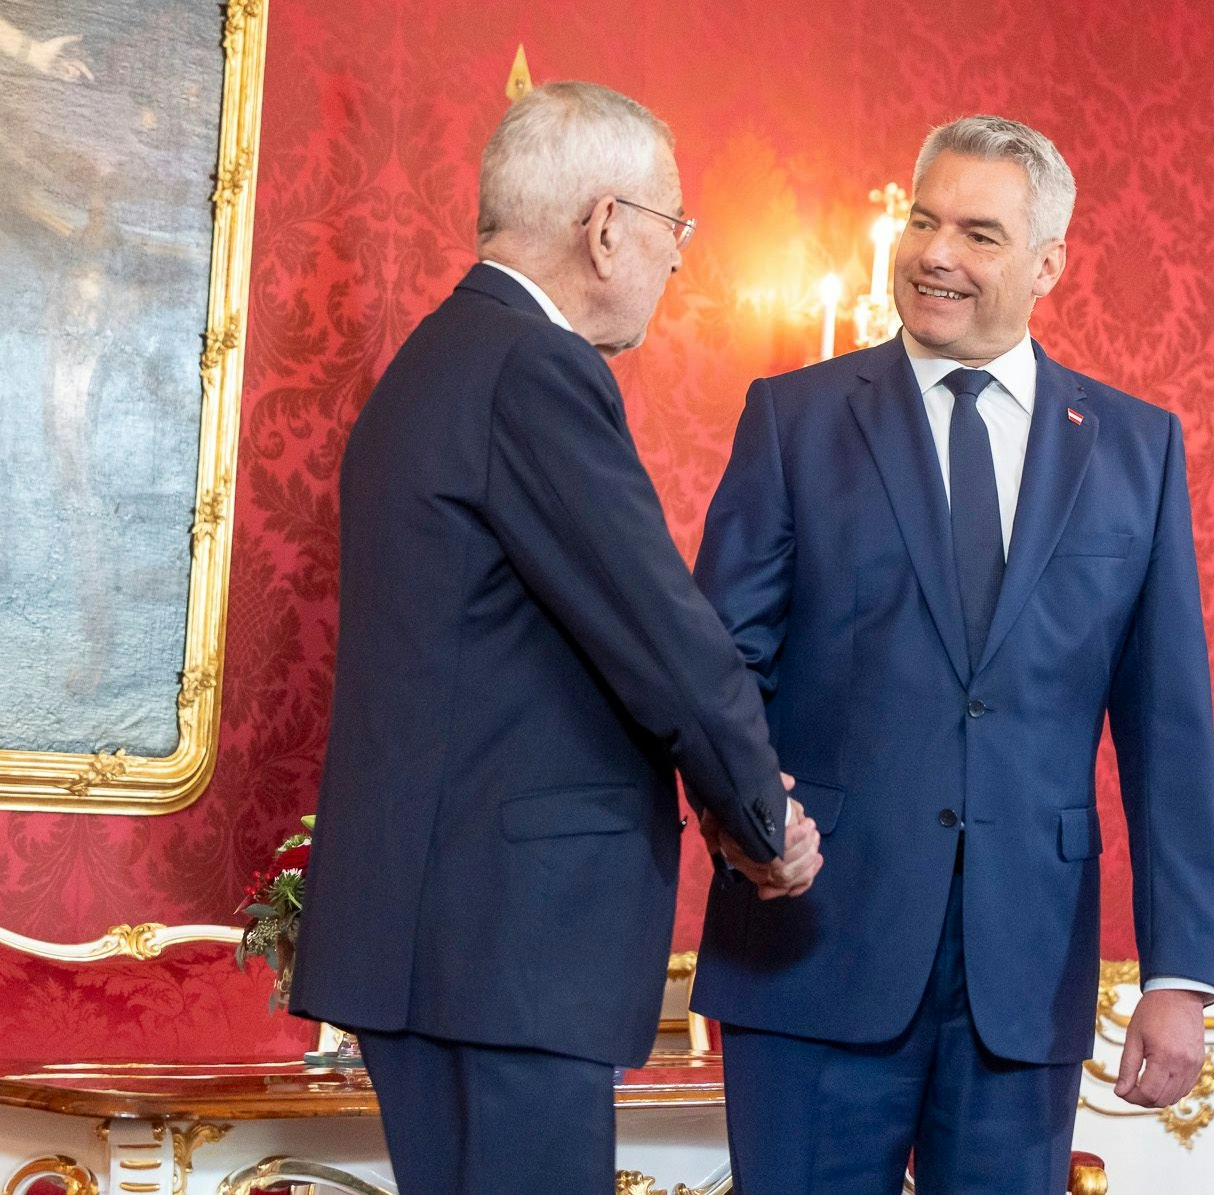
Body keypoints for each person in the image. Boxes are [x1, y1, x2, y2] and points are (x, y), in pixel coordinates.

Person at [289, 81, 822, 1195]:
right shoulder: (534, 367)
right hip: (508, 945)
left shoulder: (437, 360)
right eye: (674, 226)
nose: (678, 259)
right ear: (607, 226)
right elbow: (660, 633)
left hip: (435, 937)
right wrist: (761, 819)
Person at [692, 114, 1214, 1193]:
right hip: (810, 948)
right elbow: (715, 670)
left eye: (979, 234)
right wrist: (750, 818)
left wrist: (1179, 972)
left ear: (1047, 264)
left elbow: (1167, 729)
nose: (936, 253)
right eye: (923, 220)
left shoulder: (1135, 448)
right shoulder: (794, 420)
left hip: (1024, 972)